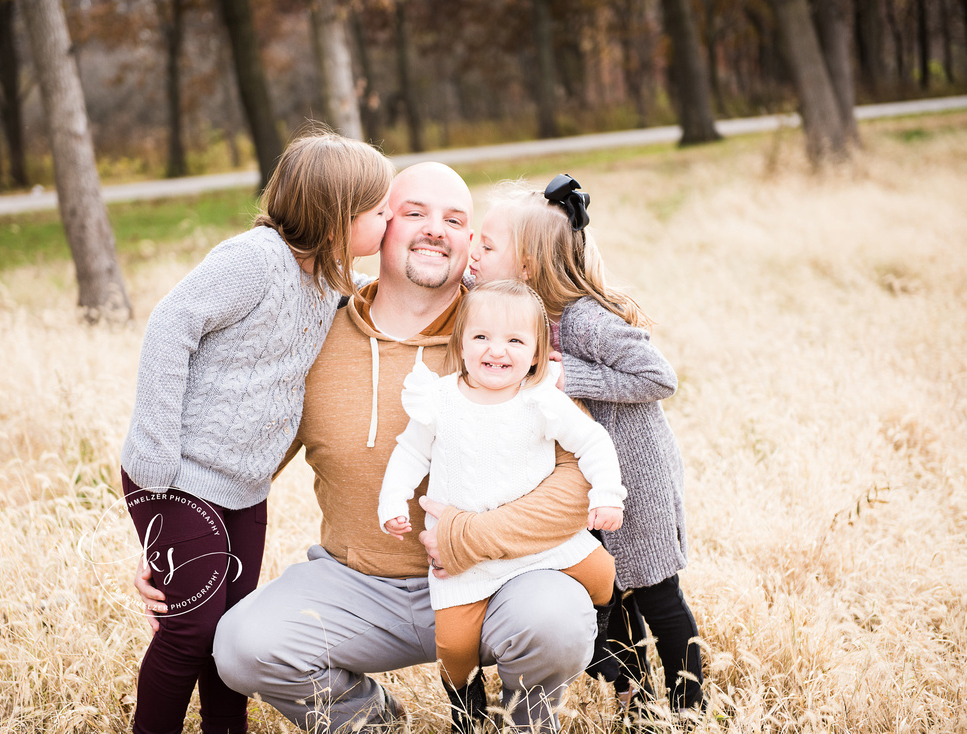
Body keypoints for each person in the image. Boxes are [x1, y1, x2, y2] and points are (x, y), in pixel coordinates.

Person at [139, 162, 608, 733]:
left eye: (456, 220)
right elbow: (244, 455)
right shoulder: (317, 331)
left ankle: (522, 723)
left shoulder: (505, 332)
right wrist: (181, 540)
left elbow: (577, 474)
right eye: (415, 213)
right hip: (358, 585)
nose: (436, 229)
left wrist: (471, 537)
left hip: (499, 576)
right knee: (243, 646)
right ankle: (375, 722)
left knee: (557, 620)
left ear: (470, 244)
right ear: (377, 225)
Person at [119, 131, 394, 734]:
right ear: (338, 217)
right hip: (179, 476)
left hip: (244, 488)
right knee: (188, 631)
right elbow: (170, 325)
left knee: (229, 635)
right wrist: (158, 459)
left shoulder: (327, 283)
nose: (391, 218)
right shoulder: (255, 260)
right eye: (380, 210)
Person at [468, 174, 704, 720]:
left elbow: (659, 376)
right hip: (586, 482)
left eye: (486, 244)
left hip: (636, 479)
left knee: (655, 594)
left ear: (525, 264)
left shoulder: (583, 320)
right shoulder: (520, 314)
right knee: (606, 596)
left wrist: (569, 374)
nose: (473, 253)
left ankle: (690, 704)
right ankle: (637, 700)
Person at [377, 278, 625, 730]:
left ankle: (603, 639)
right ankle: (465, 704)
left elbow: (593, 443)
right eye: (482, 337)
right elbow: (410, 452)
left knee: (603, 571)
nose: (497, 351)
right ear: (462, 343)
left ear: (535, 353)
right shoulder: (441, 399)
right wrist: (393, 499)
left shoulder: (541, 400)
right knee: (453, 646)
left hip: (537, 545)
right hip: (462, 557)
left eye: (515, 340)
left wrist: (608, 494)